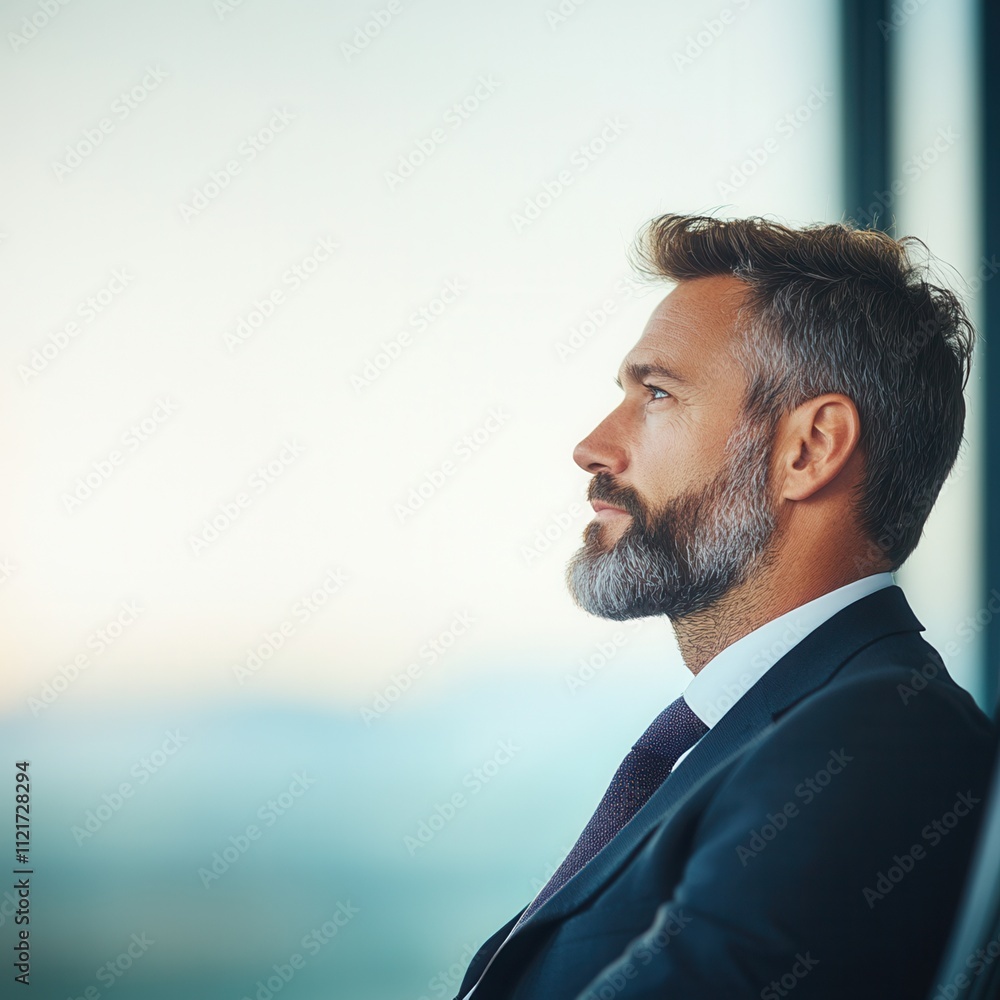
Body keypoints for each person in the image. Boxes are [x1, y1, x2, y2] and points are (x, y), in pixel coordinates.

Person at [454, 214, 997, 999]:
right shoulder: (786, 729)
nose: (594, 447)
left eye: (658, 393)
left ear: (808, 450)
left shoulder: (877, 739)